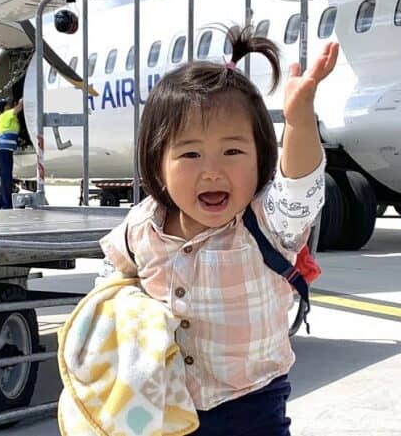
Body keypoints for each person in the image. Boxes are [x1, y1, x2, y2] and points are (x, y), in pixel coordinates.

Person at [97, 24, 338, 436]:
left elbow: (301, 188)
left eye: (232, 151)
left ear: (261, 157)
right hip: (162, 402)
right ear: (158, 161)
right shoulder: (143, 224)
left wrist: (299, 121)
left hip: (250, 404)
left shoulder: (267, 220)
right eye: (190, 153)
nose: (212, 170)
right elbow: (111, 280)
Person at [0, 97, 24, 210]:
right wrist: (22, 99)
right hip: (4, 152)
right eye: (8, 105)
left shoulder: (7, 117)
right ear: (5, 107)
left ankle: (3, 203)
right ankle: (6, 204)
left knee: (5, 177)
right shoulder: (6, 114)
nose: (10, 106)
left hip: (5, 151)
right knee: (6, 177)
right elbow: (19, 108)